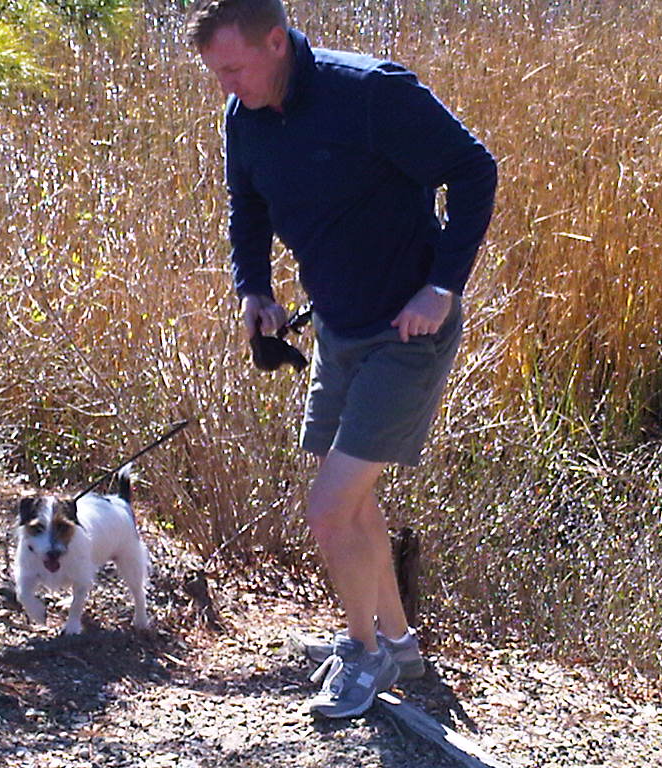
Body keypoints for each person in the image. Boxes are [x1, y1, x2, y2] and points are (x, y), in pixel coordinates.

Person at [187, 0, 497, 719]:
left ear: (275, 41)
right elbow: (246, 206)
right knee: (351, 503)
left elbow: (473, 169)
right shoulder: (245, 116)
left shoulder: (369, 93)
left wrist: (442, 286)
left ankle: (364, 653)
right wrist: (254, 289)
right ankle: (399, 643)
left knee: (329, 511)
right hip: (338, 327)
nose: (225, 85)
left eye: (233, 68)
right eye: (216, 73)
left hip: (408, 332)